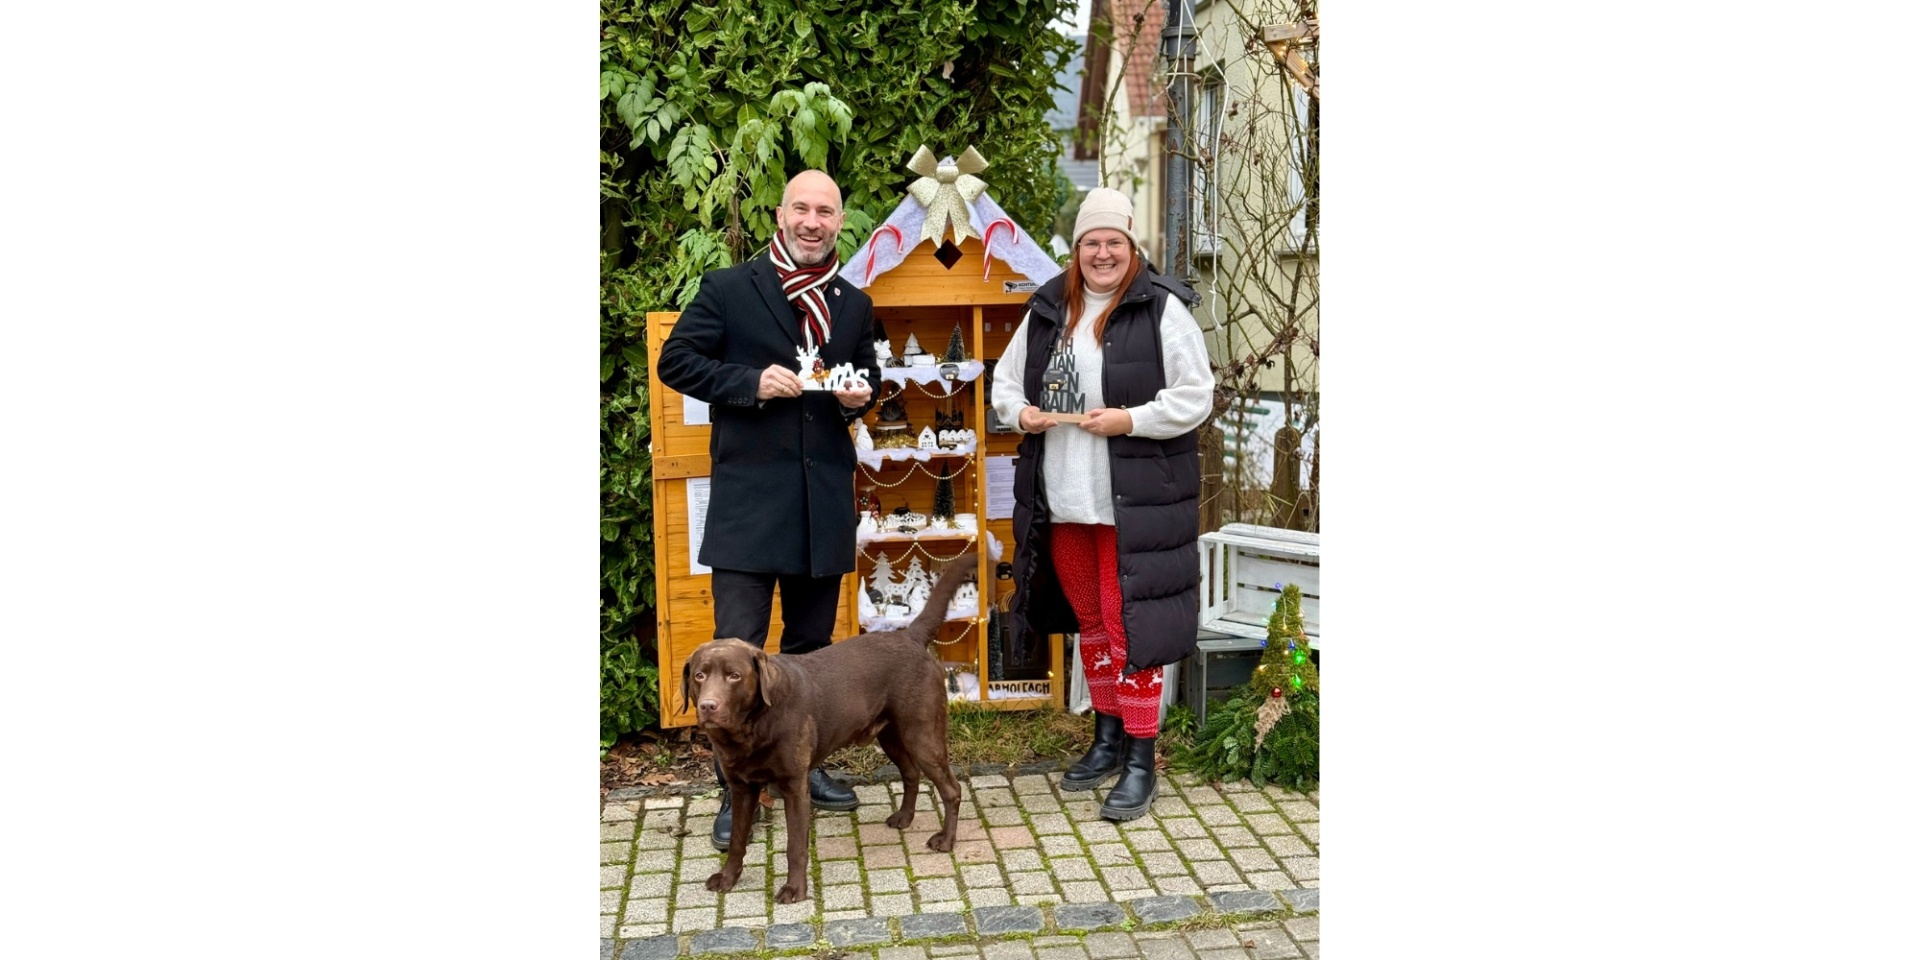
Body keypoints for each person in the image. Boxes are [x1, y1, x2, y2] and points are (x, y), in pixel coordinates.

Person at [656, 169, 877, 850]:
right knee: (733, 657)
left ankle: (807, 769)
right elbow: (676, 361)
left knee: (812, 657)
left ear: (840, 223)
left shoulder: (853, 303)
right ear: (781, 215)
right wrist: (749, 381)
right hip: (749, 509)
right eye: (801, 209)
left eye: (826, 212)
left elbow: (867, 377)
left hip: (822, 506)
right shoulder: (729, 288)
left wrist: (860, 397)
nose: (813, 221)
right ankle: (737, 791)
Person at [990, 187, 1215, 822]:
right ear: (1077, 249)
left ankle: (1142, 758)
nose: (1103, 253)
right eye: (1092, 242)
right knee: (1091, 622)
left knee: (1127, 627)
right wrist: (1023, 414)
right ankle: (1107, 737)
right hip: (1064, 499)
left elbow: (1196, 395)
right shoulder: (1048, 309)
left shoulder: (1162, 309)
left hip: (1132, 504)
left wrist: (1131, 419)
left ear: (1130, 245)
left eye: (1114, 241)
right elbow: (1005, 382)